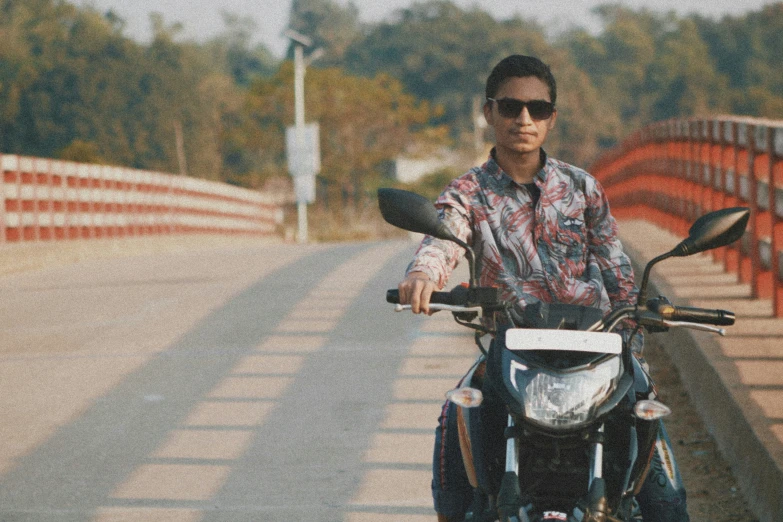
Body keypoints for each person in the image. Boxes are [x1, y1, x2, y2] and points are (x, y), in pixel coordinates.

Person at [397, 55, 689, 522]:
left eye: (537, 108)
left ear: (551, 117)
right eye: (511, 106)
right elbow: (443, 235)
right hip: (514, 353)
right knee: (458, 423)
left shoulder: (583, 187)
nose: (524, 119)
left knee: (664, 501)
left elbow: (616, 270)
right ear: (489, 112)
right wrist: (423, 275)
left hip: (595, 349)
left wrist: (640, 318)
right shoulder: (469, 192)